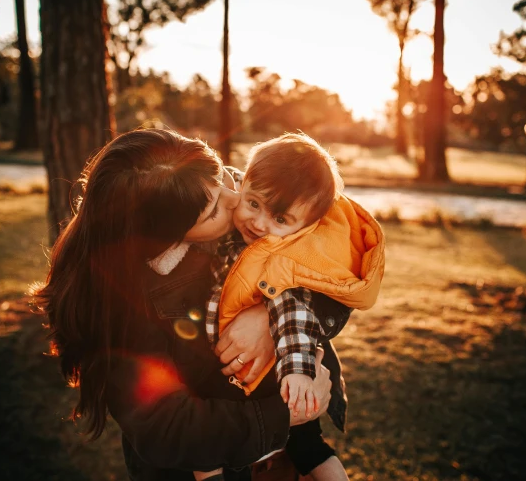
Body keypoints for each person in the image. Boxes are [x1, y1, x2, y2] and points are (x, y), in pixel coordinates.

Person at [33, 128, 352, 480]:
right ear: (166, 237)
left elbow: (337, 273)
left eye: (223, 179)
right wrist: (284, 415)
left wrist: (267, 317)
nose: (234, 199)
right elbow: (165, 429)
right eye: (214, 209)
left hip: (281, 459)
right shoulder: (120, 307)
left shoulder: (221, 191)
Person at [195, 132, 385, 481]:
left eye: (280, 220)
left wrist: (297, 371)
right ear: (244, 182)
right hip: (234, 364)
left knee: (298, 445)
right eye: (252, 203)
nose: (259, 223)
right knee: (301, 445)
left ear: (306, 227)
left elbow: (294, 313)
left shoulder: (283, 259)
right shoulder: (237, 224)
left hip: (276, 373)